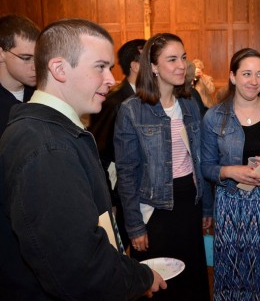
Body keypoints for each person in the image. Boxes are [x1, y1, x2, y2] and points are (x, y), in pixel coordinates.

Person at [0, 18, 165, 300]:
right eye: (100, 66)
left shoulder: (51, 131)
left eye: (110, 68)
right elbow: (79, 268)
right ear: (59, 69)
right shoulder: (48, 147)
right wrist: (141, 277)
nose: (112, 79)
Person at [114, 33, 212, 301]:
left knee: (191, 280)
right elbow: (126, 173)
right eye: (172, 59)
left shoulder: (190, 104)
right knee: (160, 284)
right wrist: (134, 226)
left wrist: (206, 206)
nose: (182, 65)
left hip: (189, 204)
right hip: (154, 211)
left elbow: (200, 160)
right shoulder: (132, 110)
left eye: (183, 57)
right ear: (153, 67)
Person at [201, 47, 260, 300]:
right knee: (232, 277)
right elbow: (206, 166)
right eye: (247, 74)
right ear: (232, 76)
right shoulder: (214, 117)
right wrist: (231, 171)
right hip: (230, 207)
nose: (254, 81)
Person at [89, 38, 146, 248]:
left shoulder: (150, 98)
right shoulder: (114, 101)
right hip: (119, 190)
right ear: (135, 65)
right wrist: (110, 200)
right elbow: (99, 152)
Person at [0, 14, 40, 137]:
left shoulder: (45, 93)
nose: (35, 67)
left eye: (38, 58)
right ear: (1, 54)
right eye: (26, 58)